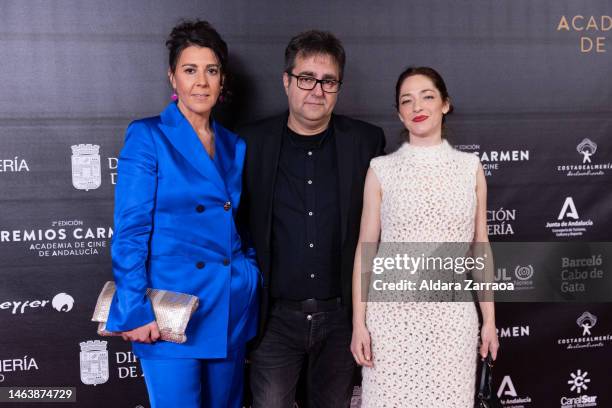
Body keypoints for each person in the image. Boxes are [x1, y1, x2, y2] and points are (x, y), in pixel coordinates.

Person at [105, 20, 259, 408]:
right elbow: (130, 230)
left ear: (222, 79)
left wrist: (247, 276)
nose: (202, 82)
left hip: (227, 305)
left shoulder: (233, 144)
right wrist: (135, 309)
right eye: (190, 70)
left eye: (211, 70)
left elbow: (235, 222)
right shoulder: (148, 135)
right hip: (169, 312)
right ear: (173, 77)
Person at [239, 30, 385, 407]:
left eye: (328, 81)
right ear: (286, 81)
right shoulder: (249, 143)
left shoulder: (366, 142)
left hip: (341, 319)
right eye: (306, 78)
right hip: (274, 319)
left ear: (338, 87)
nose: (316, 90)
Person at [350, 66, 500, 407]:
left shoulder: (470, 168)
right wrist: (359, 324)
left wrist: (489, 320)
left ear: (445, 104)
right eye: (407, 100)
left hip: (452, 322)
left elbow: (480, 248)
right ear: (399, 114)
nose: (417, 106)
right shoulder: (380, 170)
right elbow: (366, 251)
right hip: (390, 324)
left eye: (427, 96)